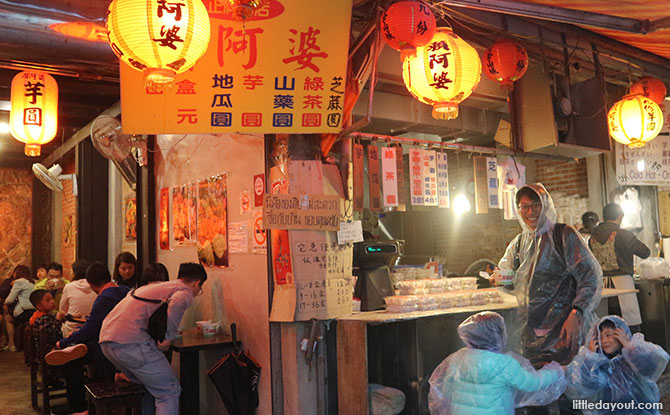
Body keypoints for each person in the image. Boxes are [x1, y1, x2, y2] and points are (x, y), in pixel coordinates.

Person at [497, 184, 603, 414]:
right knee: (537, 398)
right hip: (532, 337)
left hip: (566, 331)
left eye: (536, 205)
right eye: (524, 206)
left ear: (546, 205)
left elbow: (590, 276)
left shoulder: (563, 235)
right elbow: (506, 278)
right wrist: (500, 278)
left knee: (572, 395)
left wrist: (577, 312)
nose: (530, 212)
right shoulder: (518, 244)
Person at [100, 262, 207, 415]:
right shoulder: (184, 291)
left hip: (107, 341)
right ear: (197, 283)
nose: (198, 292)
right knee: (169, 391)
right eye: (200, 288)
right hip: (130, 343)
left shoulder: (154, 287)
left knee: (151, 387)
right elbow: (177, 304)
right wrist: (168, 338)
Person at [428, 312, 566, 415]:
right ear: (499, 336)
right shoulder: (505, 364)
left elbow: (446, 390)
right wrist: (556, 371)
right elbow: (533, 383)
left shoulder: (458, 358)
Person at [565, 315, 669, 415]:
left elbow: (650, 369)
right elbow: (588, 385)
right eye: (599, 337)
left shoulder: (633, 358)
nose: (604, 341)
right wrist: (591, 358)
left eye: (608, 335)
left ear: (622, 334)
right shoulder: (600, 365)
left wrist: (630, 347)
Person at [53, 261, 130, 380]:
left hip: (109, 346)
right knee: (78, 342)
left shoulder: (105, 297)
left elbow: (90, 328)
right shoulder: (125, 290)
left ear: (91, 283)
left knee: (72, 358)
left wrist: (63, 342)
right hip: (124, 341)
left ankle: (77, 398)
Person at [29, 289, 88, 415]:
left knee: (72, 349)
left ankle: (77, 397)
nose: (52, 302)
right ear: (39, 306)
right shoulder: (42, 319)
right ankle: (78, 399)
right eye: (48, 300)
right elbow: (52, 333)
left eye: (52, 299)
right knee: (73, 356)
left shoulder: (46, 316)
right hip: (49, 353)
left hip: (52, 349)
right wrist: (58, 320)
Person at [590, 203, 650, 277]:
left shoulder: (593, 237)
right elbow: (645, 253)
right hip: (622, 282)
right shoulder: (624, 235)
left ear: (603, 218)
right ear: (620, 217)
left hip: (601, 283)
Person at [57, 259, 96, 337]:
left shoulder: (69, 286)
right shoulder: (95, 286)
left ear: (75, 273)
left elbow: (62, 310)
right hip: (92, 329)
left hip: (71, 329)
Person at [2, 265, 36, 351]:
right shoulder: (32, 282)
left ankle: (11, 344)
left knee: (8, 318)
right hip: (33, 311)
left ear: (17, 273)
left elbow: (9, 300)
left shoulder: (19, 282)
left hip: (24, 312)